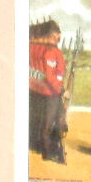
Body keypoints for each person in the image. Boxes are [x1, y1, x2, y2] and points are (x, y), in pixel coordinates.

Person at [28, 19, 69, 164]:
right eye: (57, 34)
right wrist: (61, 89)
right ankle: (48, 151)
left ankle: (38, 145)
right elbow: (49, 76)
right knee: (50, 123)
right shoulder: (51, 51)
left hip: (36, 87)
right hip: (49, 91)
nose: (58, 37)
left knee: (38, 121)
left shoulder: (33, 47)